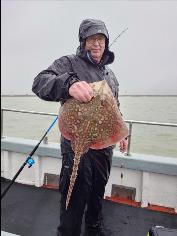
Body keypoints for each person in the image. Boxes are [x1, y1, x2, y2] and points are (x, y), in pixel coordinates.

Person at [32, 19, 128, 236]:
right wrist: (69, 84)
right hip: (77, 143)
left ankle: (94, 228)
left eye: (101, 39)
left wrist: (121, 133)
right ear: (83, 41)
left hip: (103, 145)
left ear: (106, 43)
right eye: (92, 39)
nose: (97, 44)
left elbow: (115, 107)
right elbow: (40, 82)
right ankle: (68, 232)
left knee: (97, 190)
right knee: (74, 193)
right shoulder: (70, 63)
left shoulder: (110, 75)